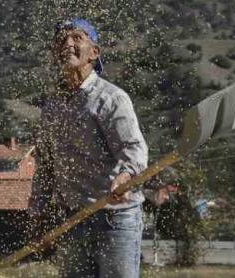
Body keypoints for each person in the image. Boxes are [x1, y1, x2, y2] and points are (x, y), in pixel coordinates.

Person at [30, 18, 148, 278]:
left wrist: (125, 176)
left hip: (115, 218)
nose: (67, 44)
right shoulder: (52, 105)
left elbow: (134, 149)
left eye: (76, 38)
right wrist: (38, 214)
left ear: (94, 53)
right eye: (62, 39)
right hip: (72, 220)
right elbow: (46, 166)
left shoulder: (111, 98)